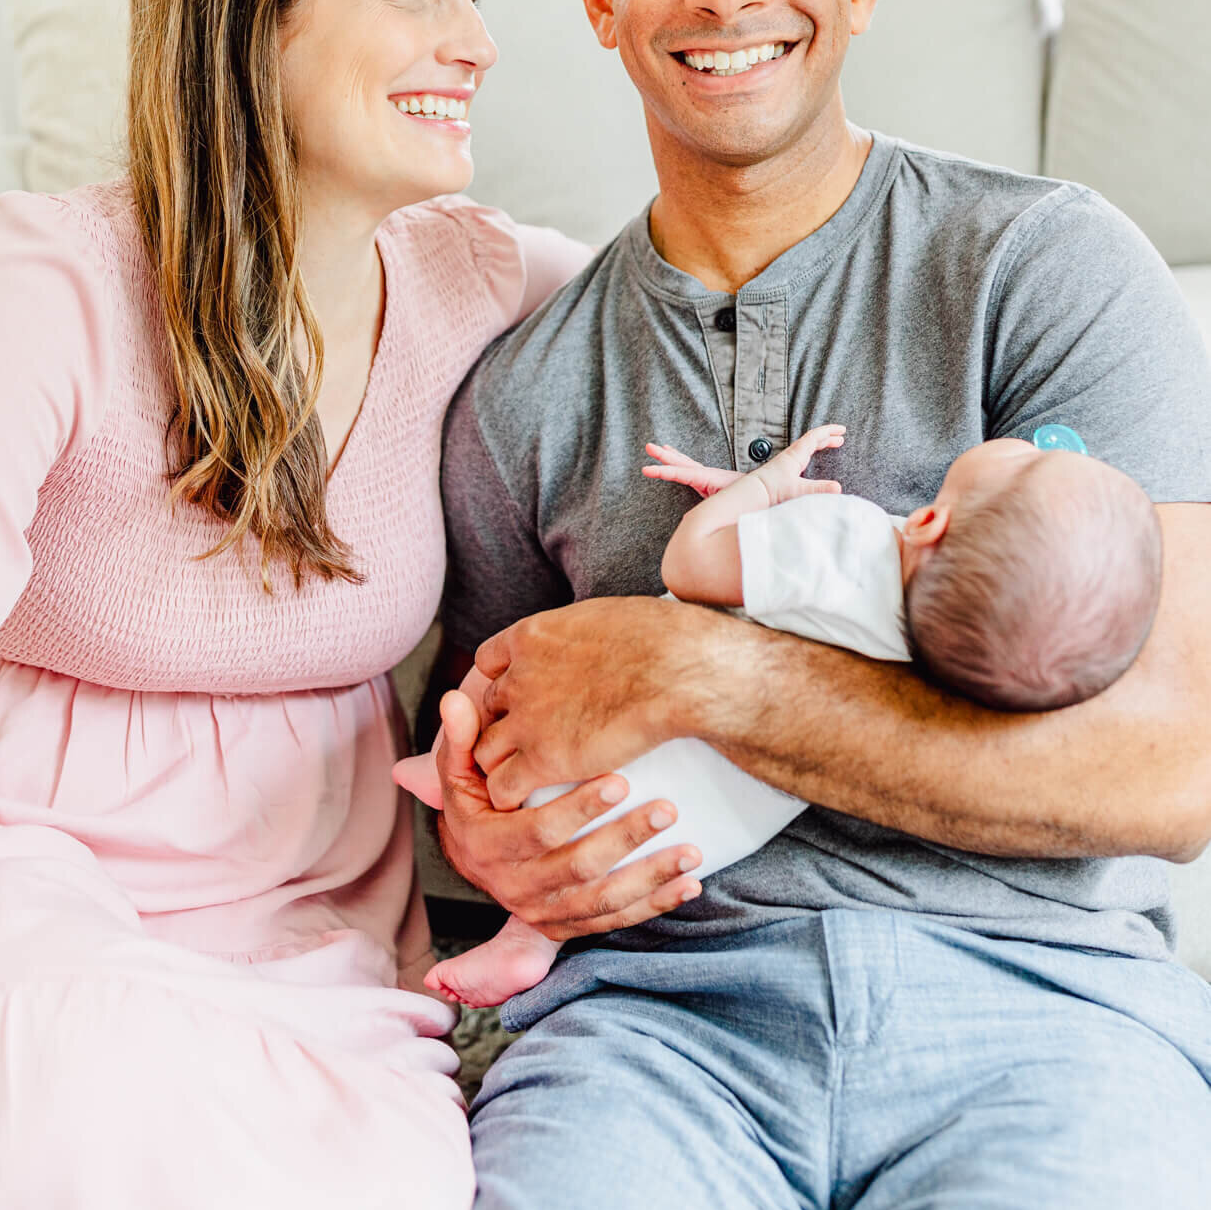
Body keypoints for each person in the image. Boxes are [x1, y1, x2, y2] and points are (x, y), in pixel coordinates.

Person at [350, 0, 1211, 1210]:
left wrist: (707, 672)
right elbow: (486, 781)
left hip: (1038, 1025)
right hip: (654, 1039)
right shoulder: (518, 397)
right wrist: (493, 827)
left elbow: (1165, 770)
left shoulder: (1047, 271)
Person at [0, 0, 615, 1210]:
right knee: (55, 1121)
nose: (476, 42)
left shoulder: (474, 282)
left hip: (309, 953)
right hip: (20, 890)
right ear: (253, 9)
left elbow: (704, 317)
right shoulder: (35, 287)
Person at [399, 426, 1164, 1007]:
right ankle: (526, 944)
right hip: (712, 826)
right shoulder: (949, 670)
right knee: (602, 855)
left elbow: (695, 563)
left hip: (602, 762)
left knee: (509, 679)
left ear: (928, 521)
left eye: (1027, 463)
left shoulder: (847, 537)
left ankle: (447, 769)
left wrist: (761, 490)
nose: (1032, 448)